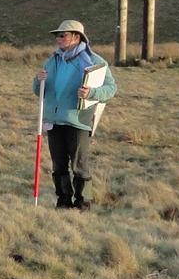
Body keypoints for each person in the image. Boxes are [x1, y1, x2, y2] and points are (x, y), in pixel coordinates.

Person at [33, 19, 117, 210]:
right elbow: (39, 91)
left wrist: (92, 93)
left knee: (80, 165)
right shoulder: (52, 60)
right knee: (59, 165)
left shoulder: (94, 61)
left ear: (76, 37)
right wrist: (38, 81)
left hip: (79, 120)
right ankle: (63, 201)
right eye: (57, 36)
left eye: (63, 35)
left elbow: (111, 88)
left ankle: (83, 202)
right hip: (54, 121)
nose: (58, 39)